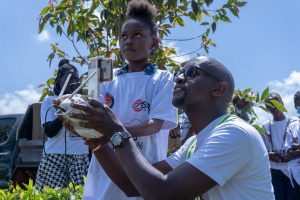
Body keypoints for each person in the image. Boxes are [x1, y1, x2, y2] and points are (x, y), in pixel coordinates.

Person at [68, 56, 274, 199]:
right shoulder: (194, 143)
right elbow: (133, 185)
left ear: (219, 89)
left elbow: (160, 194)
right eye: (179, 72)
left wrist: (116, 131)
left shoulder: (234, 134)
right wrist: (99, 141)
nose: (179, 77)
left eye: (192, 72)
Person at [81, 0, 177, 199]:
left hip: (143, 171)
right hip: (104, 172)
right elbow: (93, 117)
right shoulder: (106, 78)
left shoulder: (162, 79)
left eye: (137, 35)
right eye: (123, 36)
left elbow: (155, 125)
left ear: (154, 43)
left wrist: (112, 131)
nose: (128, 41)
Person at [34, 60, 89, 190]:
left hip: (80, 157)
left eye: (76, 78)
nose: (74, 82)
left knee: (80, 196)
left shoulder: (83, 102)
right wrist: (63, 111)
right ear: (60, 82)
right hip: (55, 156)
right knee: (53, 196)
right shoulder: (49, 102)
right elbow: (50, 132)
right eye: (70, 78)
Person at [261, 92, 299, 200]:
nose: (273, 106)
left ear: (282, 102)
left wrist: (291, 155)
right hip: (274, 171)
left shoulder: (295, 122)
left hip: (293, 170)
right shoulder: (265, 126)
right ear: (266, 107)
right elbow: (260, 151)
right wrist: (269, 155)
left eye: (276, 101)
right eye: (269, 104)